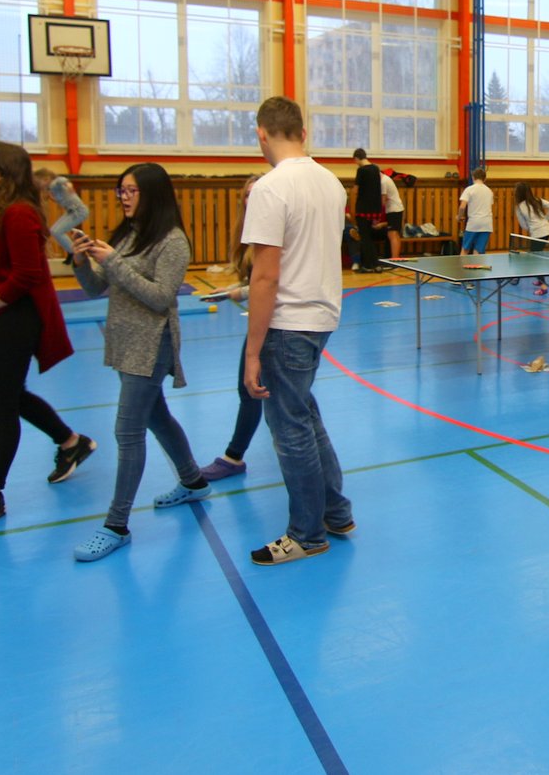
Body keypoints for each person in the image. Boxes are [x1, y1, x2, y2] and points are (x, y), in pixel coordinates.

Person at [0, 143, 94, 535]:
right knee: (11, 395)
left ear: (3, 172)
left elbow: (27, 274)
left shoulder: (19, 213)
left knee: (1, 407)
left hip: (14, 318)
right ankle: (71, 442)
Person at [69, 163, 208, 561]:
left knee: (128, 431)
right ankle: (193, 481)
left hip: (151, 345)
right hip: (126, 341)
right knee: (157, 417)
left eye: (131, 191)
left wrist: (113, 261)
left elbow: (161, 297)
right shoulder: (130, 234)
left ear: (153, 194)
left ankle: (117, 524)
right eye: (121, 191)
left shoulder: (173, 241)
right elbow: (96, 286)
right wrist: (81, 261)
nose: (124, 197)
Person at [242, 96, 353, 566]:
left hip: (288, 325)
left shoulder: (270, 188)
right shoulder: (332, 183)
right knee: (306, 416)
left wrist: (252, 352)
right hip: (322, 318)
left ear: (261, 134)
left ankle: (306, 534)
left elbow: (265, 276)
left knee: (291, 431)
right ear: (303, 133)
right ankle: (336, 512)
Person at [199, 174, 265, 482]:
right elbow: (255, 281)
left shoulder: (273, 235)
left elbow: (273, 283)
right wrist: (230, 290)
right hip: (262, 320)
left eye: (258, 193)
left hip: (277, 324)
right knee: (259, 390)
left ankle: (233, 457)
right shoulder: (248, 234)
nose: (252, 200)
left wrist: (238, 293)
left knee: (255, 390)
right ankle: (235, 456)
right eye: (248, 195)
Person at [513, 181, 549, 297]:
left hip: (538, 234)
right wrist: (545, 219)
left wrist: (531, 227)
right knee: (536, 257)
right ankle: (539, 280)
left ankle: (543, 287)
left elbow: (524, 226)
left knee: (534, 261)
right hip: (547, 231)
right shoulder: (537, 200)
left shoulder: (519, 207)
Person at [33, 167, 89, 259]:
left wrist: (68, 184)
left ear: (46, 179)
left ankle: (73, 252)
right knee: (54, 231)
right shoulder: (52, 189)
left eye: (39, 182)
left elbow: (61, 180)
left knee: (56, 231)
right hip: (72, 212)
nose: (38, 185)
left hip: (78, 211)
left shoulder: (54, 183)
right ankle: (73, 252)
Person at [351, 148, 386, 272]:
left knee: (365, 237)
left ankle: (370, 265)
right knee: (369, 237)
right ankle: (372, 264)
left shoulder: (361, 170)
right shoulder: (376, 168)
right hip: (375, 208)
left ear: (357, 158)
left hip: (363, 208)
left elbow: (356, 189)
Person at [459, 168, 494, 255]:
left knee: (465, 249)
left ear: (473, 177)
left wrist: (459, 217)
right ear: (485, 179)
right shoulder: (489, 191)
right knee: (478, 251)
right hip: (487, 224)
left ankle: (460, 264)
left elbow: (462, 206)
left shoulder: (469, 189)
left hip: (474, 223)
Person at [380, 167, 404, 261]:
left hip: (394, 209)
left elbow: (383, 201)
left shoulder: (383, 182)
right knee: (394, 234)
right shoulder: (385, 179)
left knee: (392, 234)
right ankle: (395, 258)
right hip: (395, 209)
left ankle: (394, 259)